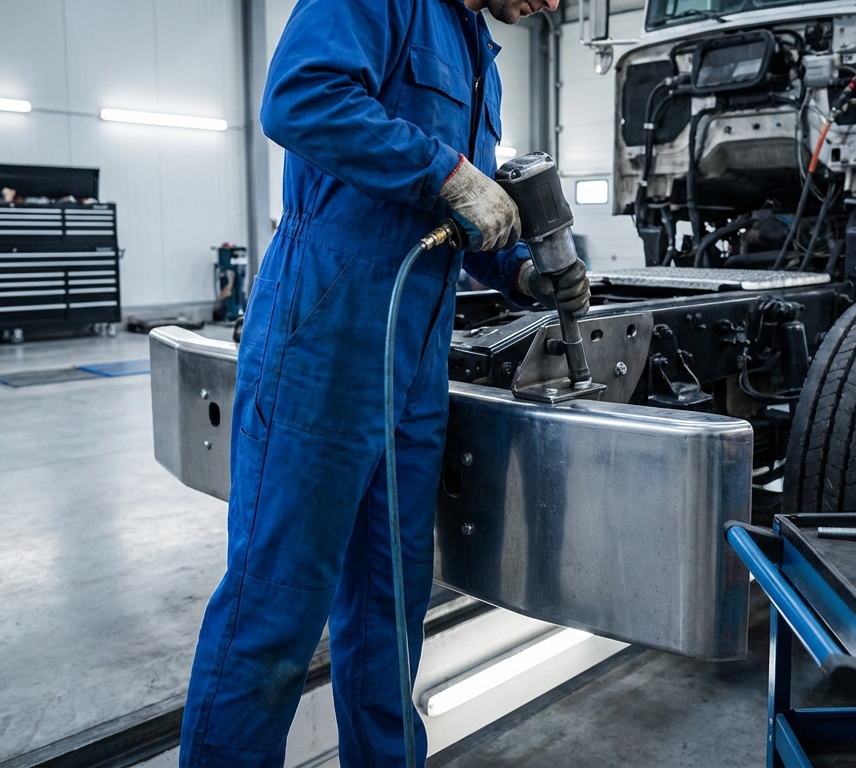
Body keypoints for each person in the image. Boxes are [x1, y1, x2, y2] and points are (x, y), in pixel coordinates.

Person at [178, 0, 588, 765]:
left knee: (389, 607)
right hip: (325, 335)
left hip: (416, 356)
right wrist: (447, 173)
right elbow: (300, 98)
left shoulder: (476, 51)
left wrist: (520, 271)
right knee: (275, 606)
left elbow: (460, 218)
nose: (553, 6)